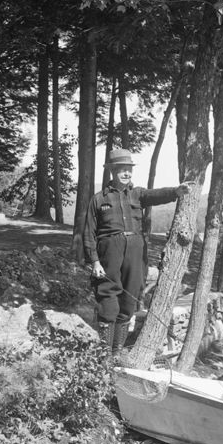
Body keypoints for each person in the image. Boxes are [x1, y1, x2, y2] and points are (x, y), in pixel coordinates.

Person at [82, 148, 191, 356]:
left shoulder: (137, 194)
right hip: (108, 253)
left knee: (129, 300)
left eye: (129, 170)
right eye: (122, 170)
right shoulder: (98, 199)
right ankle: (105, 354)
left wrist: (175, 191)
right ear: (112, 171)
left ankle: (117, 351)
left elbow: (155, 195)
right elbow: (88, 232)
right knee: (108, 300)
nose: (126, 174)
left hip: (135, 251)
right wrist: (94, 261)